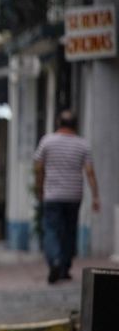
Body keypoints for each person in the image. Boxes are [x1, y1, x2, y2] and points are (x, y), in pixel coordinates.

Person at [34, 110, 100, 284]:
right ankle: (64, 268)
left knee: (52, 230)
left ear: (58, 122)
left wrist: (39, 189)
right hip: (73, 195)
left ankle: (55, 261)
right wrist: (95, 196)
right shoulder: (82, 144)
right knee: (69, 231)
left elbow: (39, 168)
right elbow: (90, 172)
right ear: (76, 124)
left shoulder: (47, 141)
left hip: (52, 194)